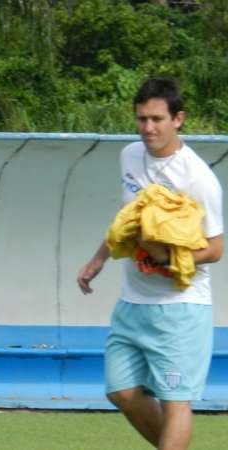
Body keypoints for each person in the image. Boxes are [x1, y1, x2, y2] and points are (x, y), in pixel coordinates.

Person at [77, 77, 223, 450]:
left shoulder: (198, 177)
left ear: (178, 119)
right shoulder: (129, 156)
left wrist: (166, 260)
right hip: (132, 304)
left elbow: (215, 249)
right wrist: (98, 259)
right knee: (122, 392)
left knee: (176, 403)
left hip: (180, 309)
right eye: (142, 119)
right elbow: (127, 217)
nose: (148, 128)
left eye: (157, 119)